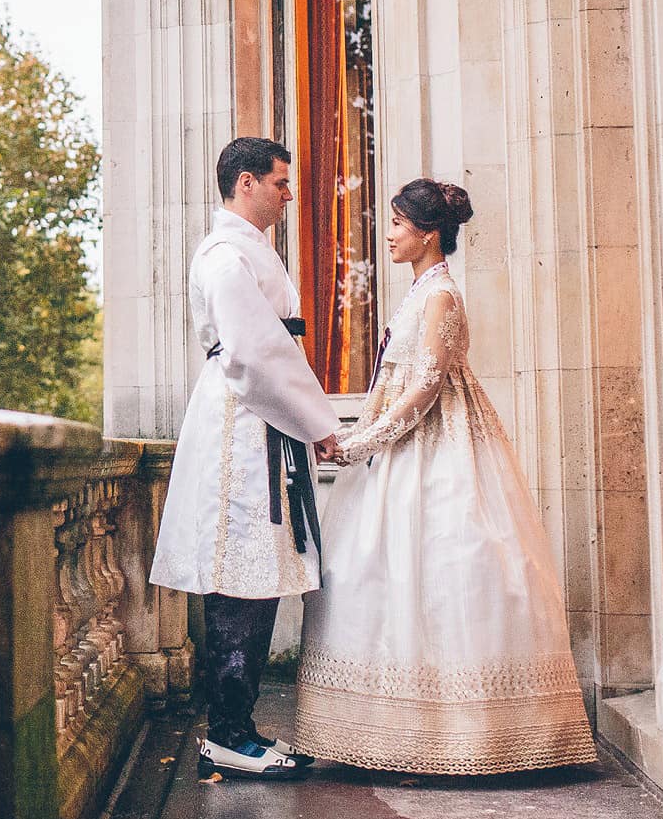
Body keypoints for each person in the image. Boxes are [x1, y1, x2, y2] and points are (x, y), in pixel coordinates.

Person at [291, 179, 597, 773]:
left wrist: (368, 442)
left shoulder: (441, 297)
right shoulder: (416, 293)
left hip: (442, 444)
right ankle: (389, 729)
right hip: (402, 444)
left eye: (399, 224)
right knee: (377, 571)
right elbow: (391, 380)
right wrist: (356, 437)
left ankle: (461, 734)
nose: (389, 234)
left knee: (446, 568)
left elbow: (428, 385)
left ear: (428, 234)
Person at [149, 137, 342, 779]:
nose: (289, 195)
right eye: (281, 183)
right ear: (246, 183)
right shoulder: (226, 255)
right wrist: (318, 422)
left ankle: (239, 726)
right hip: (242, 420)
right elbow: (255, 352)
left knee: (260, 570)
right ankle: (227, 732)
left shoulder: (252, 250)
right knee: (241, 569)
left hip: (261, 419)